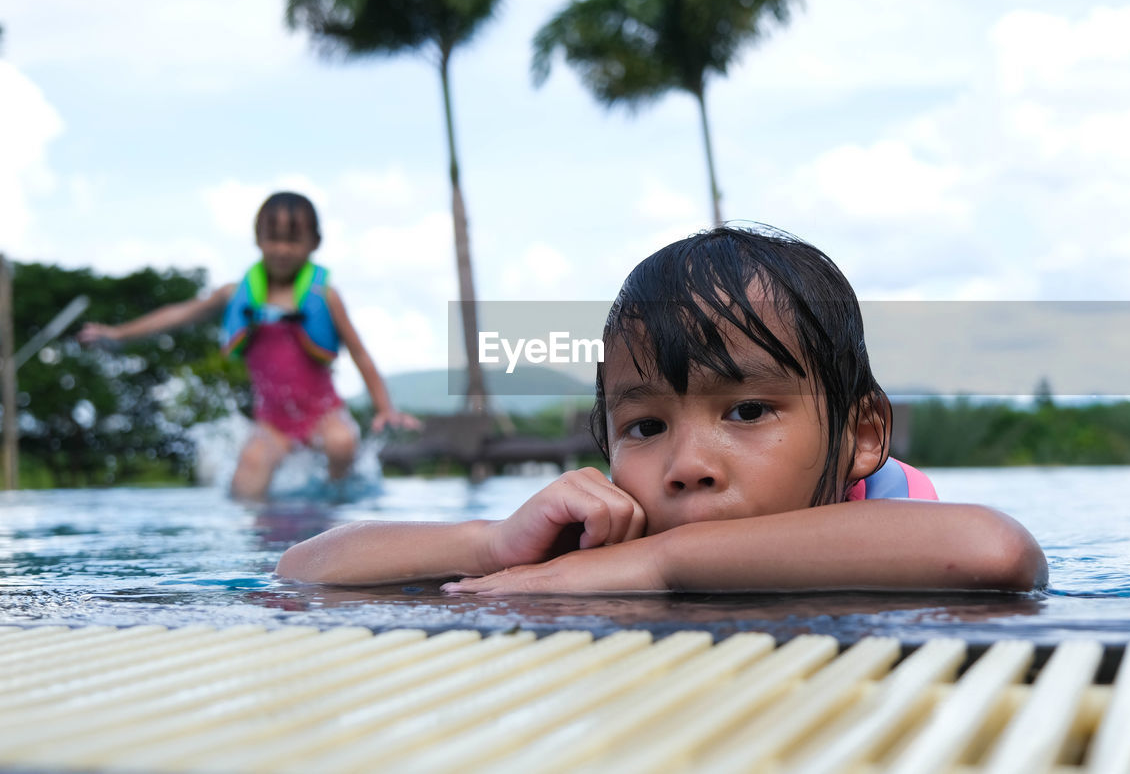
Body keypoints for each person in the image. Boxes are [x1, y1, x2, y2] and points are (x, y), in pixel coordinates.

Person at [277, 226, 1047, 592]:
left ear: (864, 436)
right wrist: (492, 543)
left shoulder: (889, 516)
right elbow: (303, 568)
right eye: (645, 427)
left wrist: (654, 563)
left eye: (747, 410)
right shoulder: (618, 518)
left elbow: (996, 552)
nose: (686, 467)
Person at [79, 191, 419, 500]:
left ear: (314, 242)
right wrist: (120, 333)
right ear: (258, 239)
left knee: (342, 442)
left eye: (293, 240)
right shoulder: (235, 294)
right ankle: (259, 551)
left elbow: (360, 354)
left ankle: (332, 512)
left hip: (323, 414)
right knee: (247, 477)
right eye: (273, 239)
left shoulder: (325, 296)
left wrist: (384, 408)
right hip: (272, 423)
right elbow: (180, 314)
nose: (282, 249)